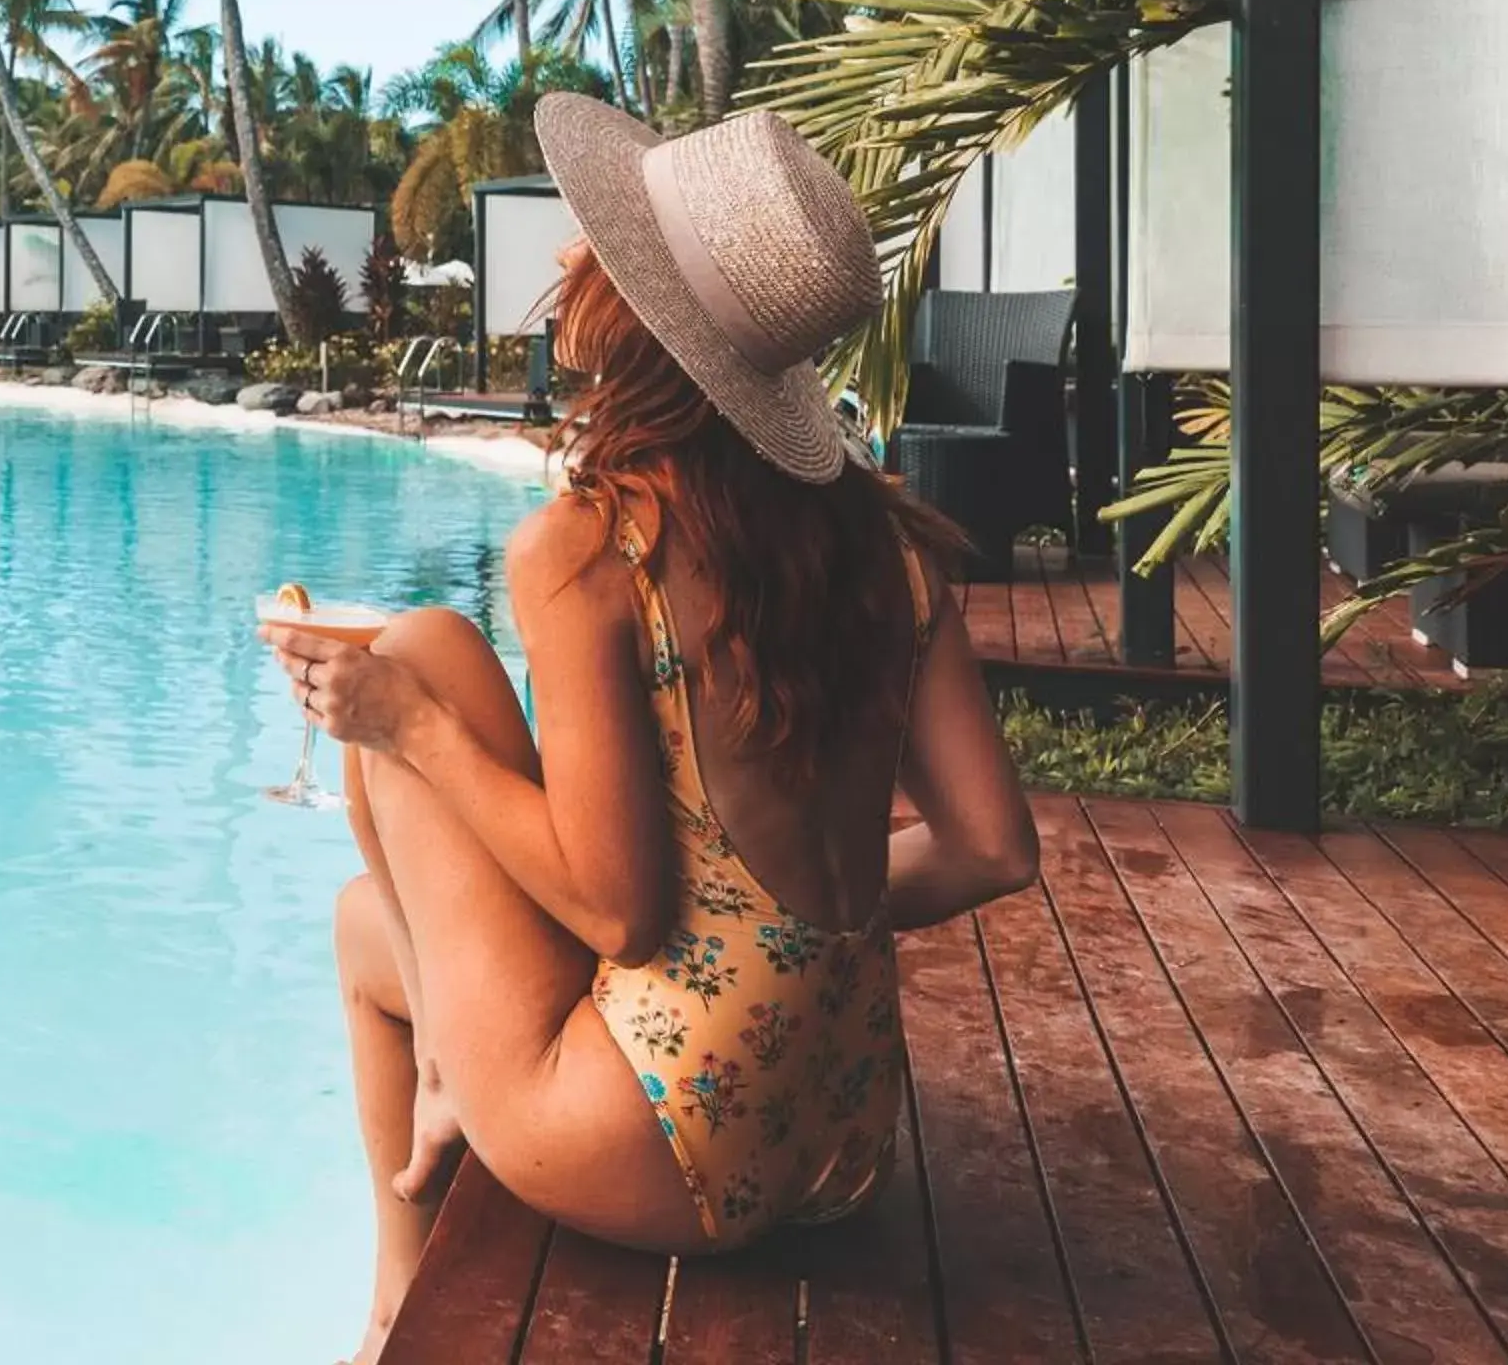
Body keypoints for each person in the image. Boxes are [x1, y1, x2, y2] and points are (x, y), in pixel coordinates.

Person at [263, 97, 1039, 1363]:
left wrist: (409, 725)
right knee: (367, 928)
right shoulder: (890, 545)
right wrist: (779, 927)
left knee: (415, 654)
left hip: (663, 1144)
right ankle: (398, 1283)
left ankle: (401, 1297)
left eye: (598, 246)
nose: (572, 264)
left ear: (631, 309)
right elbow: (997, 847)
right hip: (841, 1135)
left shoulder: (592, 547)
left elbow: (617, 913)